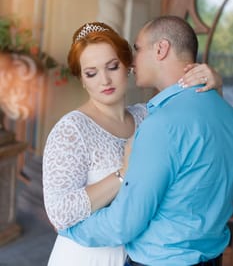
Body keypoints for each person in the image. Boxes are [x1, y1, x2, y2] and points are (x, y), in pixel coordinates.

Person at [43, 21, 222, 266]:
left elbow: (196, 124)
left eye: (113, 66)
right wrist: (122, 174)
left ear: (129, 66)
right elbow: (59, 213)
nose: (104, 80)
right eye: (91, 73)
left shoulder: (147, 115)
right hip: (88, 254)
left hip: (138, 254)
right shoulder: (71, 130)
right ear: (82, 80)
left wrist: (214, 85)